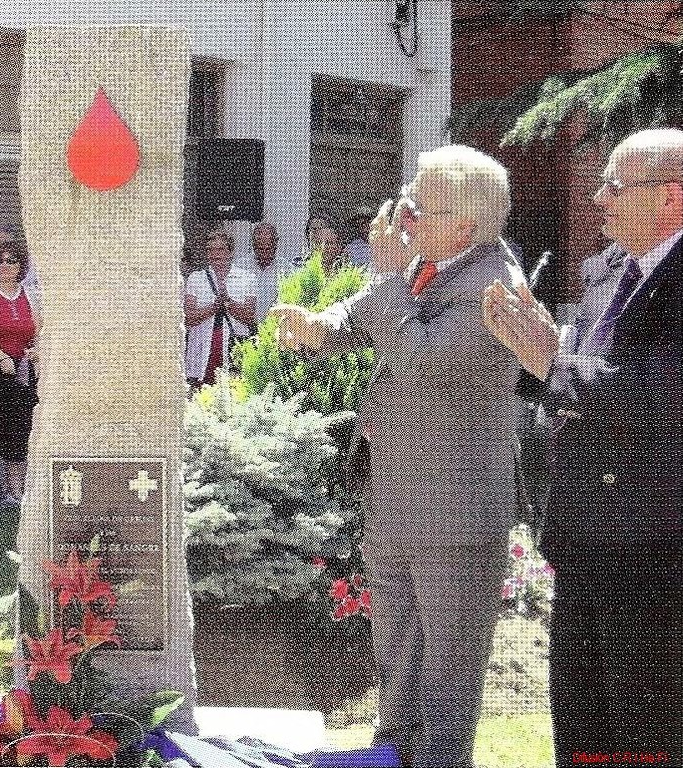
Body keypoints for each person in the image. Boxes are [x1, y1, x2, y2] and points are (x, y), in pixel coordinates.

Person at [271, 144, 524, 768]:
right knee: (395, 649)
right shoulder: (426, 265)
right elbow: (358, 317)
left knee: (445, 666)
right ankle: (393, 755)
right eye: (405, 203)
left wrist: (389, 274)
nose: (403, 217)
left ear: (464, 225)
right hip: (397, 498)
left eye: (418, 208)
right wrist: (319, 324)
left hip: (456, 507)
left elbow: (419, 352)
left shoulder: (497, 283)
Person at [482, 128, 683, 766]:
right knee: (583, 727)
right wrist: (522, 350)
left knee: (644, 731)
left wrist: (552, 360)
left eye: (614, 187)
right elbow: (567, 384)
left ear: (671, 197)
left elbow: (661, 394)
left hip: (654, 547)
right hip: (587, 537)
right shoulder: (607, 276)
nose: (598, 199)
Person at [0, 240, 41, 516]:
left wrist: (36, 351)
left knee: (19, 430)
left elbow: (39, 334)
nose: (4, 265)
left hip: (22, 371)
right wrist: (1, 356)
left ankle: (16, 492)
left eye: (11, 260)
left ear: (21, 266)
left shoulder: (31, 295)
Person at [184, 230, 256, 387]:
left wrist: (228, 302)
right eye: (210, 249)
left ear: (230, 252)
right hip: (201, 352)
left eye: (220, 249)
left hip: (232, 350)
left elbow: (249, 317)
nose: (215, 254)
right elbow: (188, 318)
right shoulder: (195, 278)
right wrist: (214, 307)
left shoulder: (247, 278)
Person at [245, 221, 282, 324]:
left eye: (268, 249)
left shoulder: (286, 270)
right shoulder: (241, 268)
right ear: (253, 245)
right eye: (260, 249)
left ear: (276, 244)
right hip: (246, 330)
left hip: (274, 330)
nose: (264, 254)